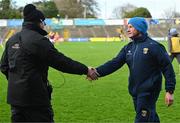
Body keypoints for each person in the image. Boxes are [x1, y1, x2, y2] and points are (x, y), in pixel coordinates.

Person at [0, 4, 97, 122]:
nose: (44, 25)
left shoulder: (12, 40)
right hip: (36, 100)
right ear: (39, 22)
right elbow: (61, 62)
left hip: (15, 100)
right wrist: (85, 70)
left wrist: (17, 82)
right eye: (44, 22)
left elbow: (3, 66)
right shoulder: (39, 40)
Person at [88, 17, 176, 123]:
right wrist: (97, 71)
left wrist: (169, 91)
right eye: (127, 27)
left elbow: (168, 68)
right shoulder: (128, 48)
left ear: (140, 28)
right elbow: (114, 63)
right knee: (150, 117)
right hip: (135, 91)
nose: (128, 29)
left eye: (131, 27)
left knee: (142, 119)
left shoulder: (155, 47)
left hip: (149, 91)